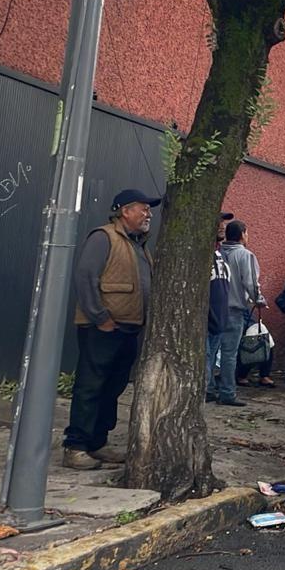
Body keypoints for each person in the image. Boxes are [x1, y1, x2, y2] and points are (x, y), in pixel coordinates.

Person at [63, 189, 160, 470]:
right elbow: (85, 277)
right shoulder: (104, 237)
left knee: (113, 387)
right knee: (90, 385)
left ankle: (98, 442)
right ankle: (76, 445)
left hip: (129, 328)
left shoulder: (139, 245)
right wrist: (100, 317)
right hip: (103, 328)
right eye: (143, 208)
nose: (148, 214)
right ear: (125, 211)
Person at [222, 219, 268, 395]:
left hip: (216, 308)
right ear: (242, 234)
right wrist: (259, 299)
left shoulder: (219, 252)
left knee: (212, 350)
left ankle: (209, 387)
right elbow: (250, 282)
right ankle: (228, 390)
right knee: (230, 352)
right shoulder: (245, 255)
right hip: (235, 307)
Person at [205, 212, 233, 404]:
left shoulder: (221, 253)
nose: (222, 226)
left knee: (211, 360)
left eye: (223, 222)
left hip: (220, 319)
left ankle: (207, 390)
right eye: (217, 222)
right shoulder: (201, 253)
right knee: (204, 362)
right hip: (205, 320)